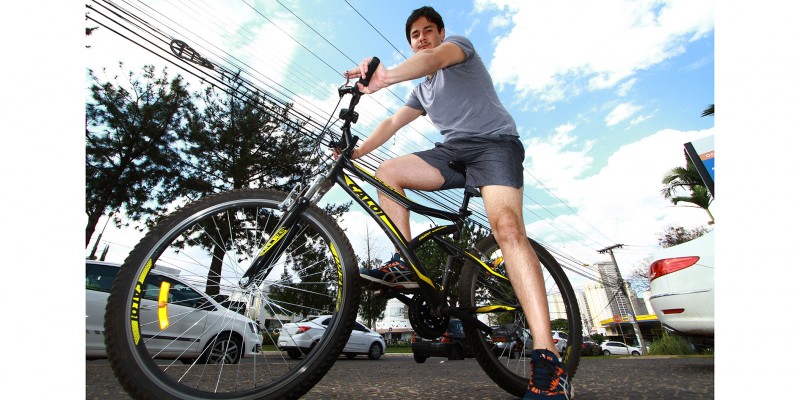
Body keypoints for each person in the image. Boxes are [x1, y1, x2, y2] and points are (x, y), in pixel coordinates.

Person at [345, 6, 574, 399]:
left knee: (507, 229)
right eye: (415, 34)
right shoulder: (422, 89)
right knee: (389, 172)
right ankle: (403, 263)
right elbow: (391, 124)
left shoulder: (457, 48)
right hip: (453, 153)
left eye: (428, 30)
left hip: (495, 146)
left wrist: (386, 76)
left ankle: (549, 360)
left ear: (441, 32)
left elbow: (434, 59)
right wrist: (354, 153)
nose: (422, 38)